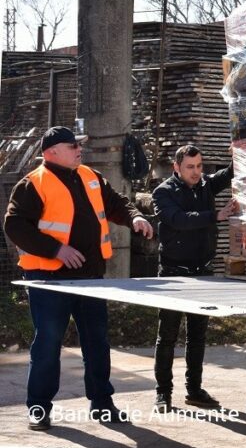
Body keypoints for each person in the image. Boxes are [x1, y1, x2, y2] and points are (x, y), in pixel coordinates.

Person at [3, 126, 154, 431]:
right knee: (48, 343)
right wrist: (56, 249)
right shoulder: (33, 183)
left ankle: (102, 404)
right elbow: (15, 226)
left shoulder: (90, 176)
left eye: (79, 145)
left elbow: (116, 203)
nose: (79, 149)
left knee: (97, 342)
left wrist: (134, 216)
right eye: (72, 146)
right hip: (48, 279)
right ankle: (39, 408)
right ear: (51, 153)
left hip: (90, 277)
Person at [151, 144, 236, 413]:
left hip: (203, 272)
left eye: (199, 166)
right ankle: (163, 393)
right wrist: (216, 215)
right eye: (190, 167)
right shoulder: (163, 192)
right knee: (167, 336)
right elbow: (179, 220)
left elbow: (231, 173)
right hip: (174, 275)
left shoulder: (206, 185)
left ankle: (194, 390)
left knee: (197, 336)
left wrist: (238, 153)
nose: (196, 172)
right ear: (176, 167)